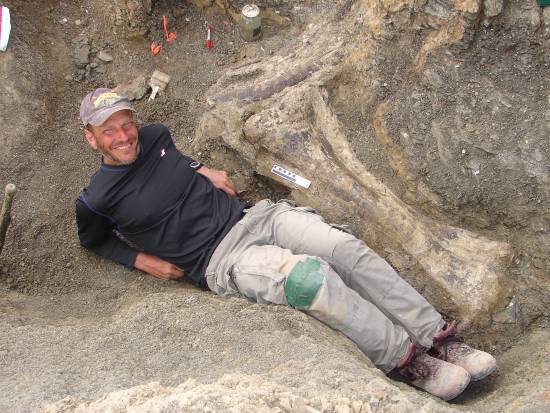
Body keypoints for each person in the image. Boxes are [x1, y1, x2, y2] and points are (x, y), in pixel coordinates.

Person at [75, 88, 497, 401]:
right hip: (222, 259)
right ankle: (409, 362)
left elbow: (172, 158)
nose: (124, 135)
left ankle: (439, 339)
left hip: (255, 217)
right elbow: (93, 240)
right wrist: (141, 260)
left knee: (343, 248)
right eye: (108, 130)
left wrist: (201, 168)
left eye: (126, 122)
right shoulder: (96, 199)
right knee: (309, 279)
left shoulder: (155, 135)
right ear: (91, 138)